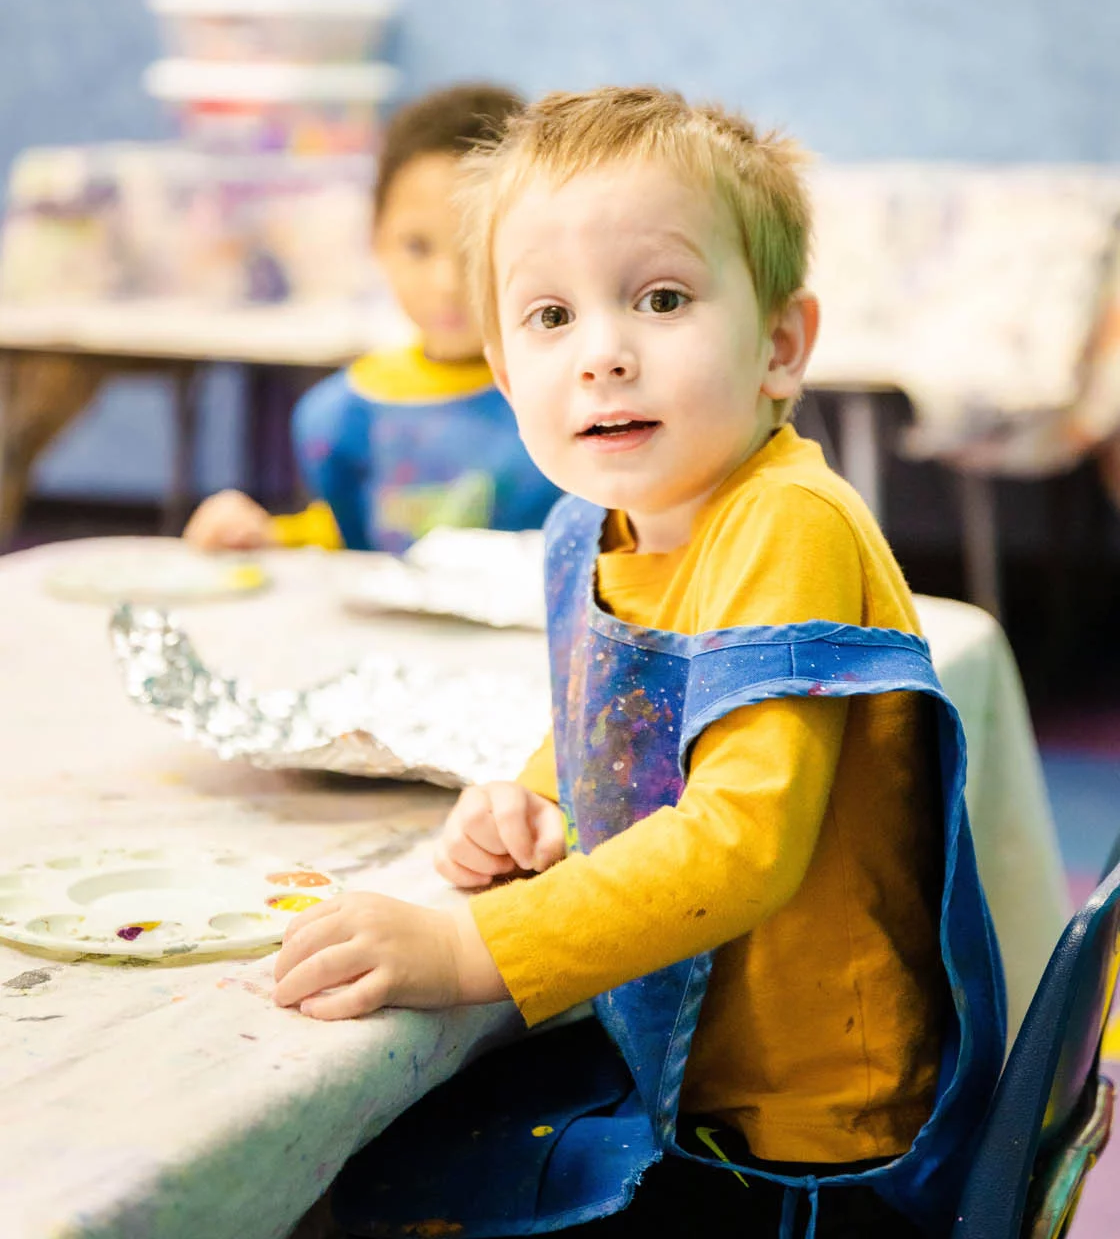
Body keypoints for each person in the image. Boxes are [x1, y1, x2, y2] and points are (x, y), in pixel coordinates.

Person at [270, 87, 1005, 1238]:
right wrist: (537, 794)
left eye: (660, 298)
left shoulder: (785, 522)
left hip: (806, 1131)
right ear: (506, 374)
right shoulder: (592, 523)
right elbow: (614, 716)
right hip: (673, 1054)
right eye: (550, 315)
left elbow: (740, 844)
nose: (603, 352)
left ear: (779, 343)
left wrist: (472, 946)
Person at [183, 83, 561, 554]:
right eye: (417, 247)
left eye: (475, 247)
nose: (447, 282)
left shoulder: (571, 397)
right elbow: (349, 535)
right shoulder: (342, 417)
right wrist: (263, 535)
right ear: (376, 239)